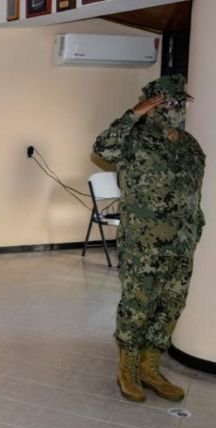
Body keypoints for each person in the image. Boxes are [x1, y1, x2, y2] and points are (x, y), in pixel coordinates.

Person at [93, 74, 206, 403]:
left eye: (179, 103)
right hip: (144, 242)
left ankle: (150, 367)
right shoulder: (133, 138)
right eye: (169, 103)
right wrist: (133, 113)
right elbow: (102, 147)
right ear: (153, 105)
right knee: (138, 305)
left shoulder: (189, 145)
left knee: (171, 306)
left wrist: (196, 224)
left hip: (182, 241)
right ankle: (127, 368)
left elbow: (192, 191)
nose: (176, 108)